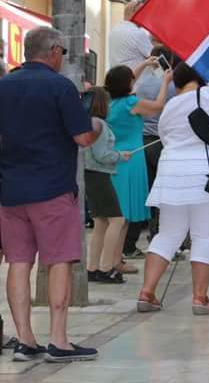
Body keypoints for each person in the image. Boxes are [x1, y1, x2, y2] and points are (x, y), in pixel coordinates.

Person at [0, 26, 102, 362]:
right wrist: (97, 125)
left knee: (18, 262)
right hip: (53, 189)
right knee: (59, 261)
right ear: (54, 51)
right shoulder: (60, 87)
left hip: (11, 190)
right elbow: (83, 138)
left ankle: (25, 339)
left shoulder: (4, 85)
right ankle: (59, 340)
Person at [136, 63, 209, 314]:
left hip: (171, 175)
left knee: (168, 235)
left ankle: (147, 292)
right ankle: (200, 298)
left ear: (178, 81)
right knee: (204, 235)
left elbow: (164, 137)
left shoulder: (171, 105)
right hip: (208, 176)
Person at [104, 64, 169, 271]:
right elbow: (158, 106)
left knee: (121, 215)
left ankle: (116, 259)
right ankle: (111, 262)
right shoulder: (131, 103)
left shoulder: (110, 103)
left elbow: (127, 78)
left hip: (117, 158)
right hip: (131, 159)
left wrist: (144, 64)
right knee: (122, 217)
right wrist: (165, 82)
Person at [83, 87, 131, 284]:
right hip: (99, 175)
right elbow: (102, 155)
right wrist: (121, 156)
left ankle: (93, 268)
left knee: (101, 222)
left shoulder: (89, 123)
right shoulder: (100, 125)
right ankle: (106, 267)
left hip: (91, 175)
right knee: (117, 220)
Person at [134, 44, 177, 242]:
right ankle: (157, 234)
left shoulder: (141, 82)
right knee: (162, 192)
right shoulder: (171, 85)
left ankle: (132, 239)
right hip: (161, 142)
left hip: (141, 141)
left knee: (146, 190)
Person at [108, 0, 154, 70]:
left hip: (119, 79)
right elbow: (155, 59)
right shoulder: (138, 33)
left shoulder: (113, 31)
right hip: (139, 79)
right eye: (143, 13)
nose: (145, 16)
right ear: (134, 13)